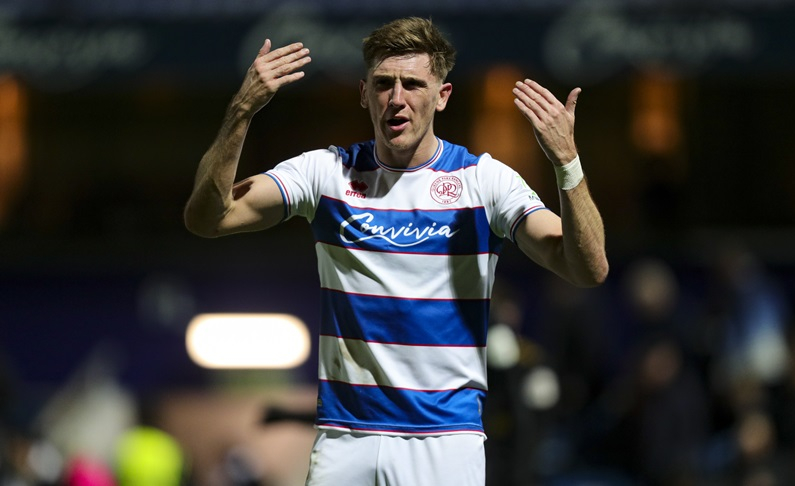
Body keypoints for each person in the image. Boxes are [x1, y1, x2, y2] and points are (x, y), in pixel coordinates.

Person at [184, 16, 608, 486]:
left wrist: (567, 163)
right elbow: (208, 218)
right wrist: (242, 110)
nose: (397, 98)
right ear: (364, 93)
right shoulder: (326, 173)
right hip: (345, 438)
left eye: (413, 84)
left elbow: (587, 268)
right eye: (384, 83)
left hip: (444, 441)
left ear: (442, 96)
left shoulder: (485, 182)